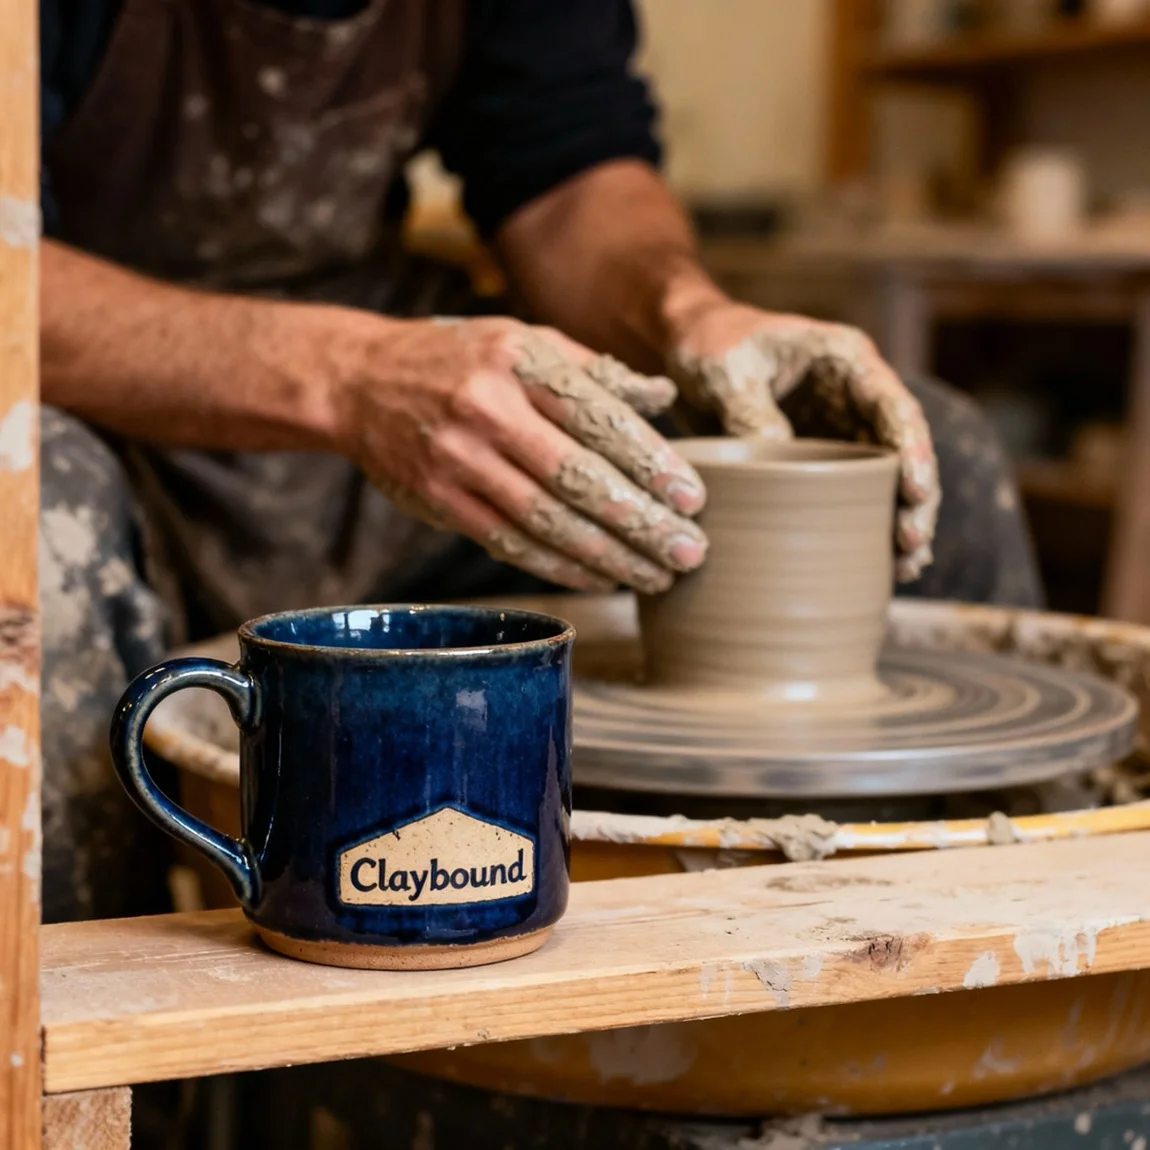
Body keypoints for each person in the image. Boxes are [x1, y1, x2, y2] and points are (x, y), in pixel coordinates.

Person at [39, 0, 1041, 926]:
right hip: (95, 409)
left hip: (406, 436)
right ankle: (107, 1085)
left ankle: (922, 972)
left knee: (919, 443)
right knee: (29, 537)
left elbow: (567, 172)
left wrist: (685, 312)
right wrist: (348, 377)